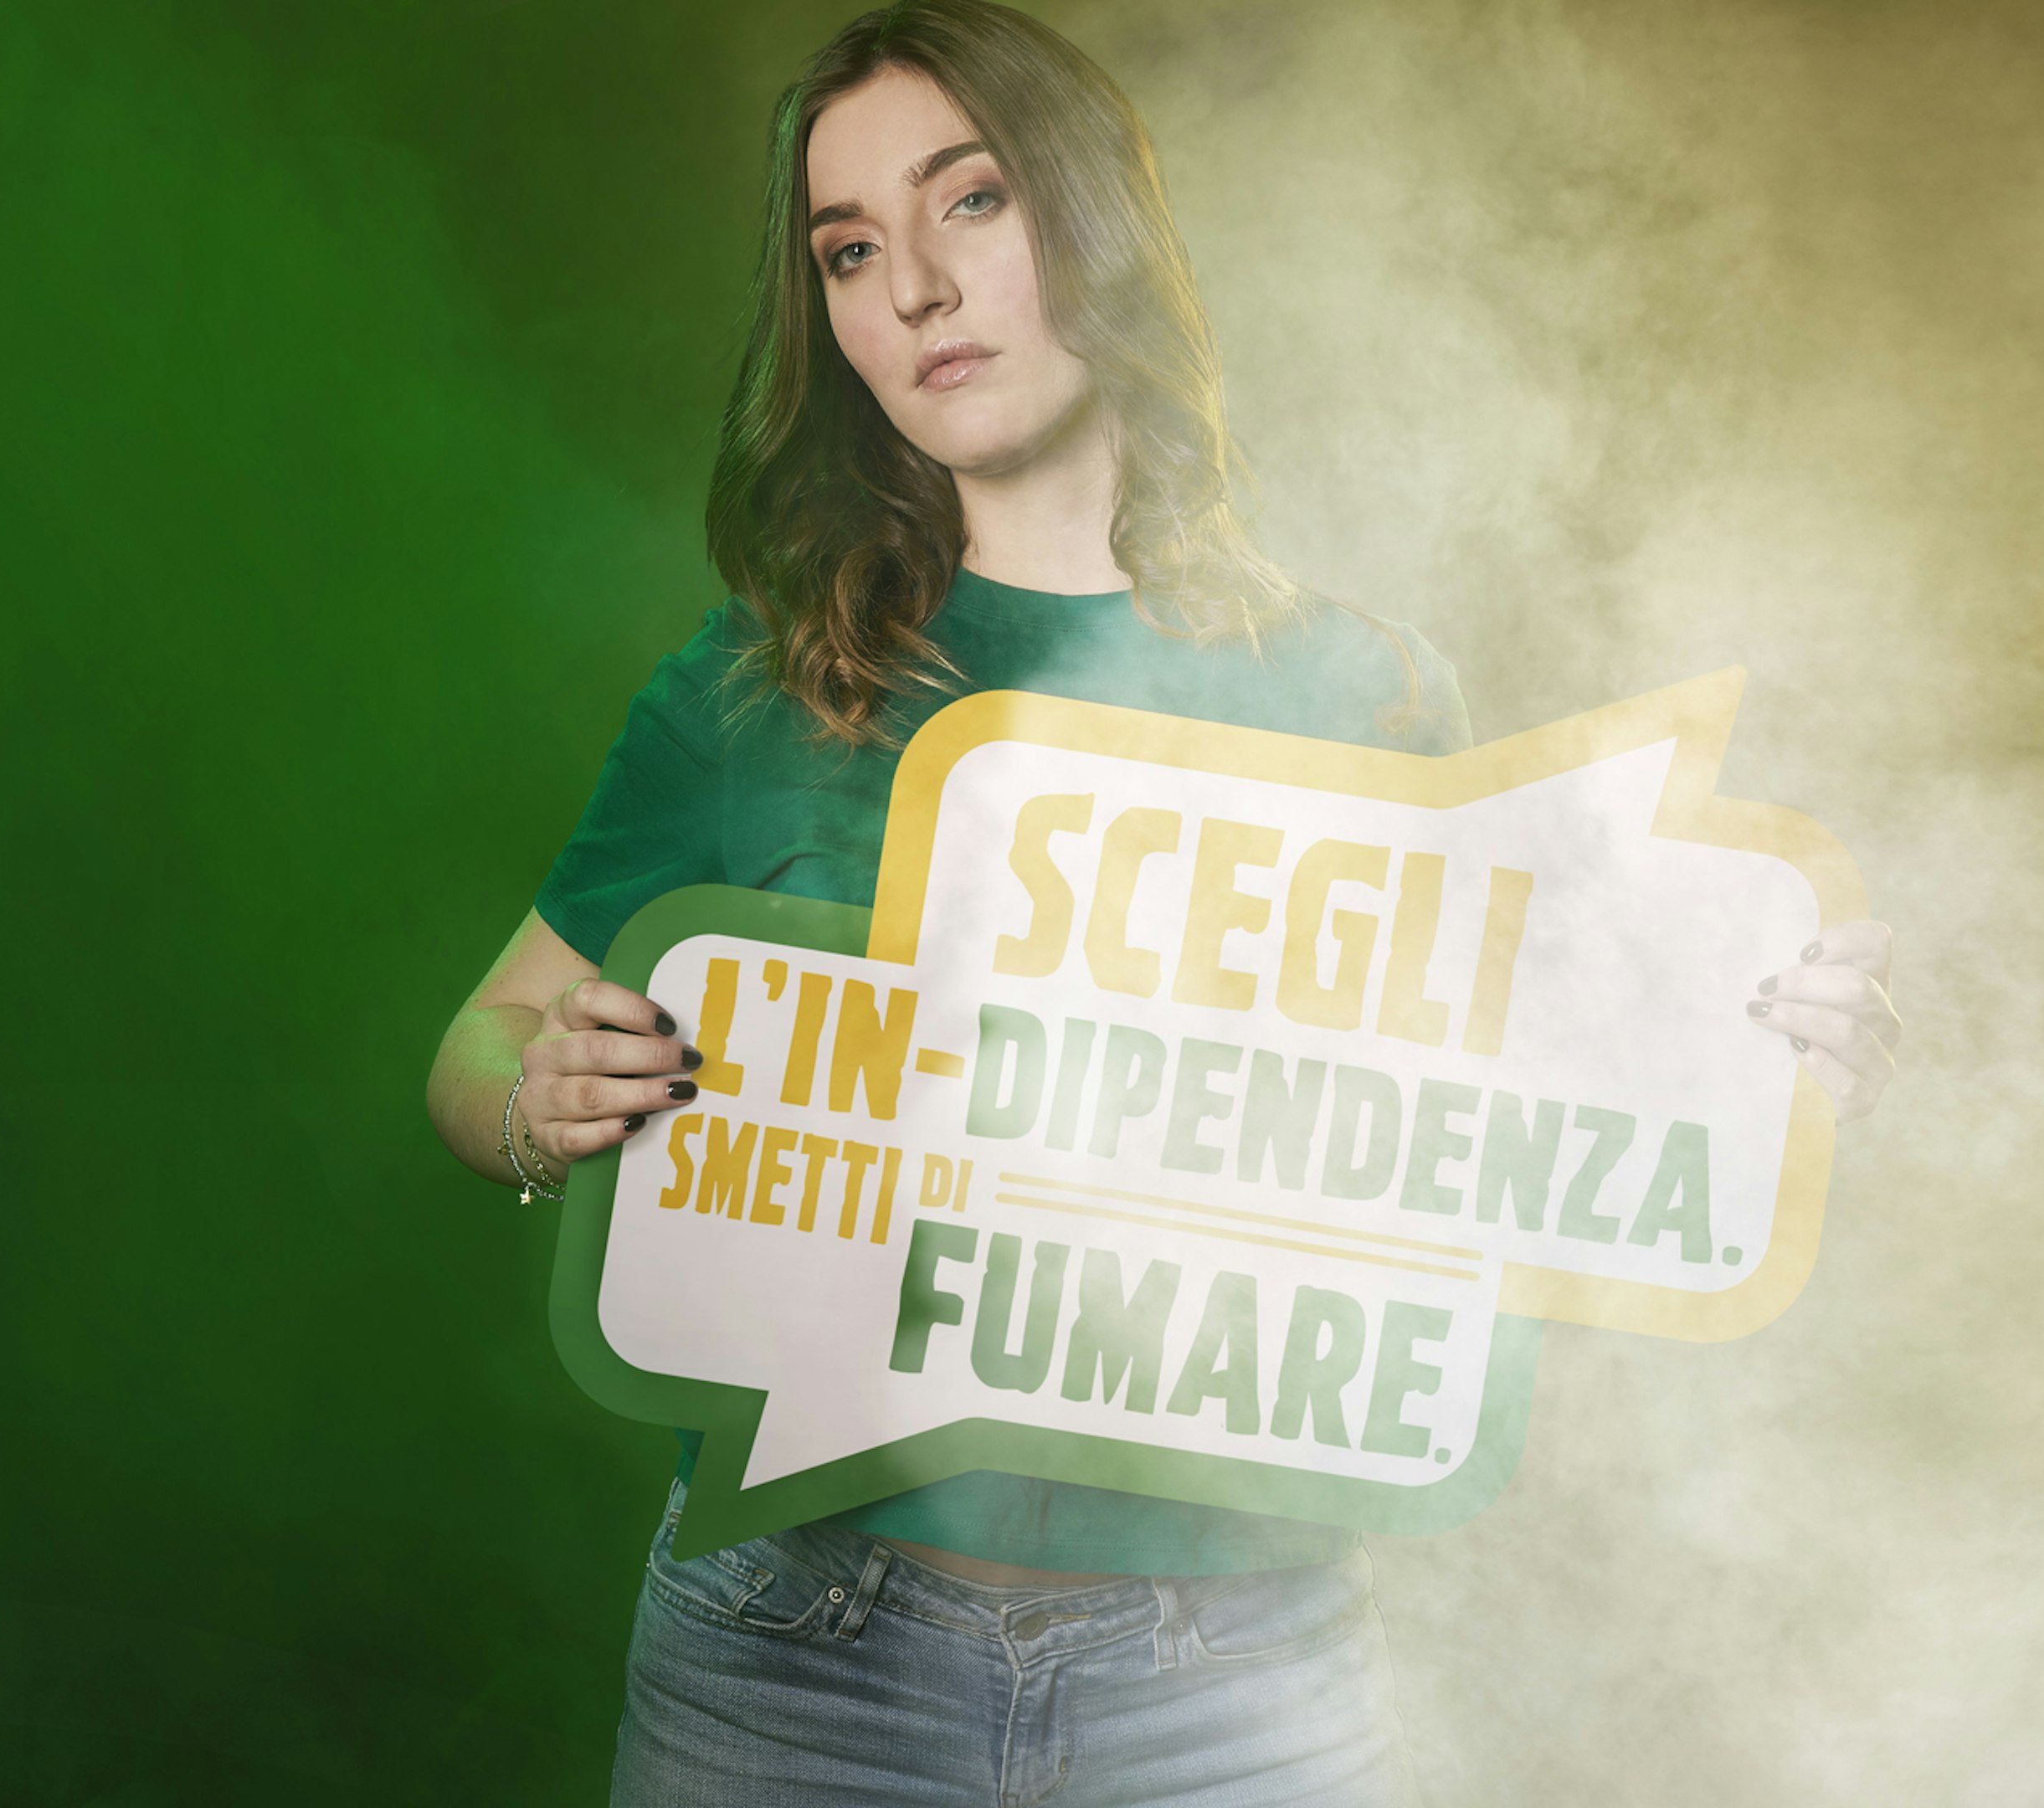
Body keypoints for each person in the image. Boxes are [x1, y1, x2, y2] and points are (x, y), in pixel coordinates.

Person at [424, 4, 1903, 1800]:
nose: (914, 287)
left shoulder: (1367, 693)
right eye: (849, 250)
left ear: (1091, 214)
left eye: (969, 202)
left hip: (1237, 1682)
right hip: (791, 1661)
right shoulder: (747, 691)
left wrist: (1756, 1049)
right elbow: (478, 1052)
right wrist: (532, 1101)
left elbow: (1501, 1122)